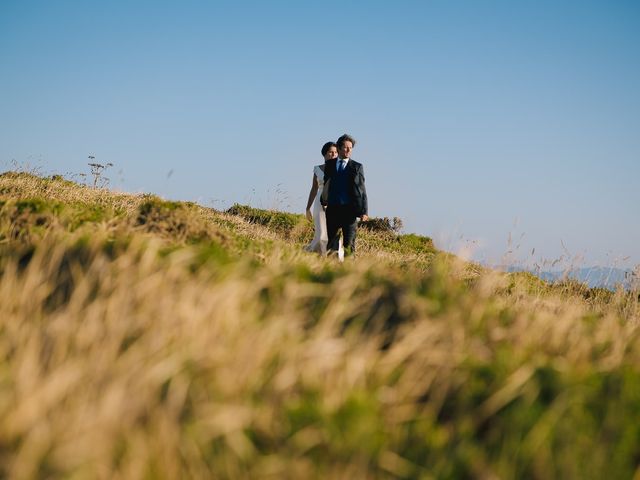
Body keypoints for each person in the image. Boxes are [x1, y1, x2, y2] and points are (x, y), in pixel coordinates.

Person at [321, 133, 368, 257]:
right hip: (332, 209)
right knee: (331, 242)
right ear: (339, 148)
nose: (348, 150)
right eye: (346, 147)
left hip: (350, 211)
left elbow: (362, 190)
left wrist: (364, 211)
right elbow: (326, 185)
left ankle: (349, 272)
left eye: (350, 148)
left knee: (349, 244)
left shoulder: (357, 167)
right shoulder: (330, 165)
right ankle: (330, 269)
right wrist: (324, 201)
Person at [304, 142, 344, 259]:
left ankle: (335, 257)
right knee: (321, 235)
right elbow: (314, 189)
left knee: (335, 233)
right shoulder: (317, 169)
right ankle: (320, 256)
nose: (334, 154)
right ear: (325, 154)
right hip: (319, 203)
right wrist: (308, 208)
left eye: (336, 152)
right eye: (331, 152)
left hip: (336, 203)